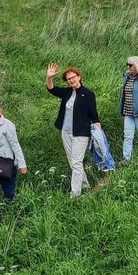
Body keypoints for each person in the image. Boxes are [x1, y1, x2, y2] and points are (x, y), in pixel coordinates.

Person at [46, 63, 101, 197]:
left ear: (79, 77)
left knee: (76, 163)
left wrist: (97, 127)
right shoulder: (67, 92)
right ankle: (85, 186)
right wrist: (49, 77)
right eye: (68, 79)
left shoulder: (88, 94)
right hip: (65, 132)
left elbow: (93, 113)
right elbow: (52, 89)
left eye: (73, 77)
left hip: (81, 133)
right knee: (73, 162)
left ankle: (74, 194)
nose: (71, 80)